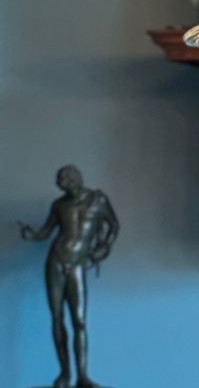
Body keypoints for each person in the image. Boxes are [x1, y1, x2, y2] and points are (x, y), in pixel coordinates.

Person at [19, 166, 118, 388]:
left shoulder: (97, 200)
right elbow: (45, 233)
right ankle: (64, 374)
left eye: (64, 180)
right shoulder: (59, 205)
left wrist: (104, 247)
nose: (61, 184)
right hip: (55, 261)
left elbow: (113, 225)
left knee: (79, 320)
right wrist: (31, 234)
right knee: (56, 318)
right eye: (59, 182)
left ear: (76, 179)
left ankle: (83, 376)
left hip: (77, 264)